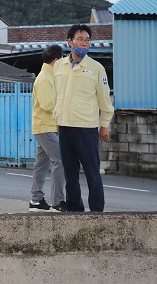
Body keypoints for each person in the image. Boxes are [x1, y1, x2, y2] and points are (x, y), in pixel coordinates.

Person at [54, 24, 114, 212]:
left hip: (86, 127)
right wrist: (57, 120)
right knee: (70, 173)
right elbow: (58, 95)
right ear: (69, 41)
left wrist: (104, 125)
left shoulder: (96, 68)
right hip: (64, 126)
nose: (84, 43)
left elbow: (104, 99)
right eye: (80, 39)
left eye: (87, 40)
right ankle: (74, 208)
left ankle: (96, 210)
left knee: (91, 172)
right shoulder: (59, 66)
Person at [29, 44, 66, 213]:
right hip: (45, 126)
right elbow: (47, 104)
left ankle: (36, 200)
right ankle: (58, 202)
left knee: (41, 164)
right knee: (60, 161)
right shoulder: (45, 78)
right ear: (56, 60)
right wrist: (63, 107)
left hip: (45, 125)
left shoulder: (49, 76)